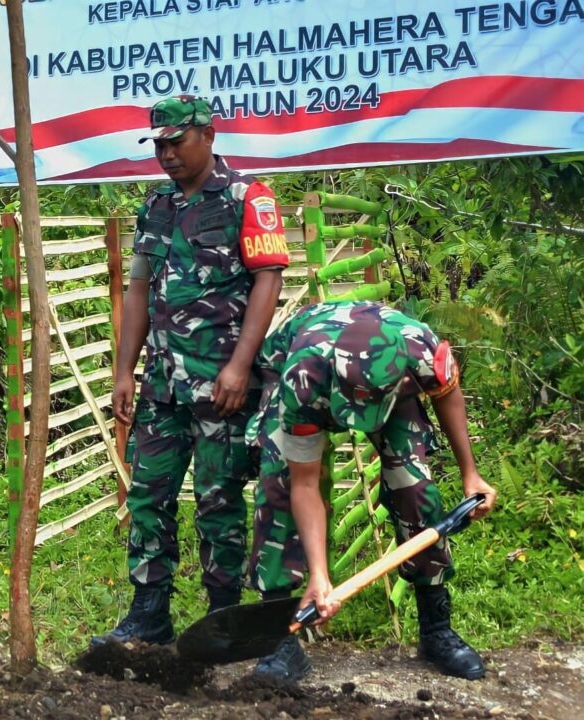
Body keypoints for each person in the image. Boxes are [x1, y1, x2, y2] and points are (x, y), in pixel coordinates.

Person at [90, 95, 288, 647]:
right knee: (148, 497)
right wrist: (125, 370)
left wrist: (240, 366)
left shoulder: (249, 198)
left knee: (217, 501)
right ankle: (149, 612)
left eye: (177, 141)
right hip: (162, 384)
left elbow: (268, 281)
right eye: (159, 144)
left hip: (221, 384)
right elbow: (137, 288)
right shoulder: (155, 204)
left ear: (209, 135)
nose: (167, 153)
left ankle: (222, 618)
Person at [246, 301, 497, 681]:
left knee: (415, 486)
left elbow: (447, 395)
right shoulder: (303, 375)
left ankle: (436, 630)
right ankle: (283, 640)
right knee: (277, 488)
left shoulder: (421, 349)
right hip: (303, 374)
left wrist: (471, 474)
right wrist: (319, 574)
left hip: (389, 386)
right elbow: (305, 484)